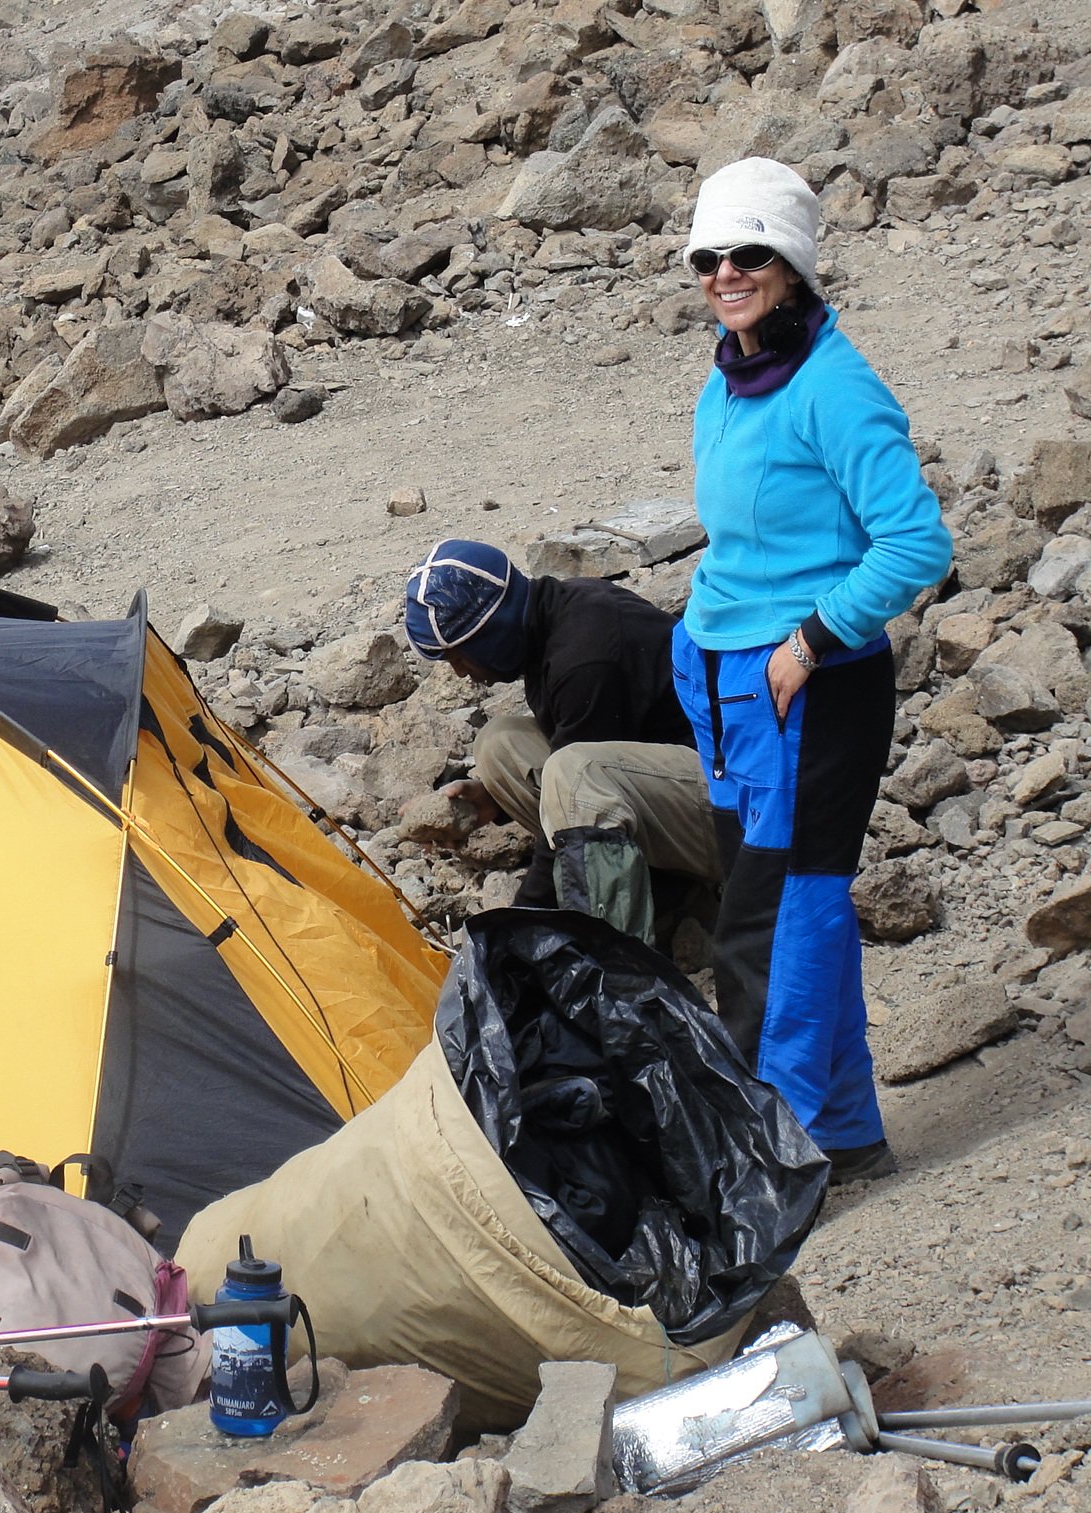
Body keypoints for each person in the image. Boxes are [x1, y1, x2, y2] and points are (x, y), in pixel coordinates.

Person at [669, 158, 952, 1185]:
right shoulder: (728, 373)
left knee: (778, 923)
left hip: (806, 687)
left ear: (790, 265)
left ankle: (772, 1165)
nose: (725, 273)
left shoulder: (834, 386)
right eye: (708, 257)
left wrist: (812, 639)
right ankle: (842, 1132)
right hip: (726, 684)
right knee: (782, 906)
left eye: (748, 254)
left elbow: (915, 544)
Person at [402, 538, 721, 944]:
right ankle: (659, 884)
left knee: (574, 775)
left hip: (737, 811)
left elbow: (575, 797)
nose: (461, 673)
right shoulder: (555, 615)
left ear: (492, 632)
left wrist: (516, 931)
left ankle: (615, 952)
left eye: (460, 656)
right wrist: (494, 799)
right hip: (672, 781)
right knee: (498, 743)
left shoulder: (586, 658)